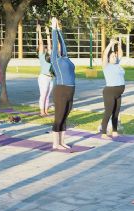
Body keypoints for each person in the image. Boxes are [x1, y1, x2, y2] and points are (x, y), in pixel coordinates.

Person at [50, 17, 75, 150]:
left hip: (71, 91)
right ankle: (55, 143)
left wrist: (59, 30)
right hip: (61, 90)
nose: (59, 48)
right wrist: (53, 29)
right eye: (57, 49)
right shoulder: (55, 60)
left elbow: (62, 44)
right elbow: (55, 45)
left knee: (65, 117)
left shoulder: (65, 57)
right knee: (59, 117)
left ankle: (62, 142)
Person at [101, 37, 125, 139]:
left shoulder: (118, 64)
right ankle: (103, 133)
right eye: (113, 56)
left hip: (118, 93)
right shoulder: (106, 66)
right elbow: (105, 54)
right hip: (109, 92)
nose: (115, 57)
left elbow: (121, 54)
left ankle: (114, 131)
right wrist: (111, 44)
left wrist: (119, 45)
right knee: (108, 112)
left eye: (115, 56)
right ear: (109, 58)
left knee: (116, 112)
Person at [36, 23, 53, 116]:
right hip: (43, 77)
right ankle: (42, 111)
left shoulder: (49, 55)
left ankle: (46, 111)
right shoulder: (42, 56)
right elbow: (41, 43)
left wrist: (47, 33)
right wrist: (39, 32)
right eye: (41, 48)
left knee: (47, 95)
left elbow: (49, 44)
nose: (44, 47)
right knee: (43, 95)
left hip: (50, 78)